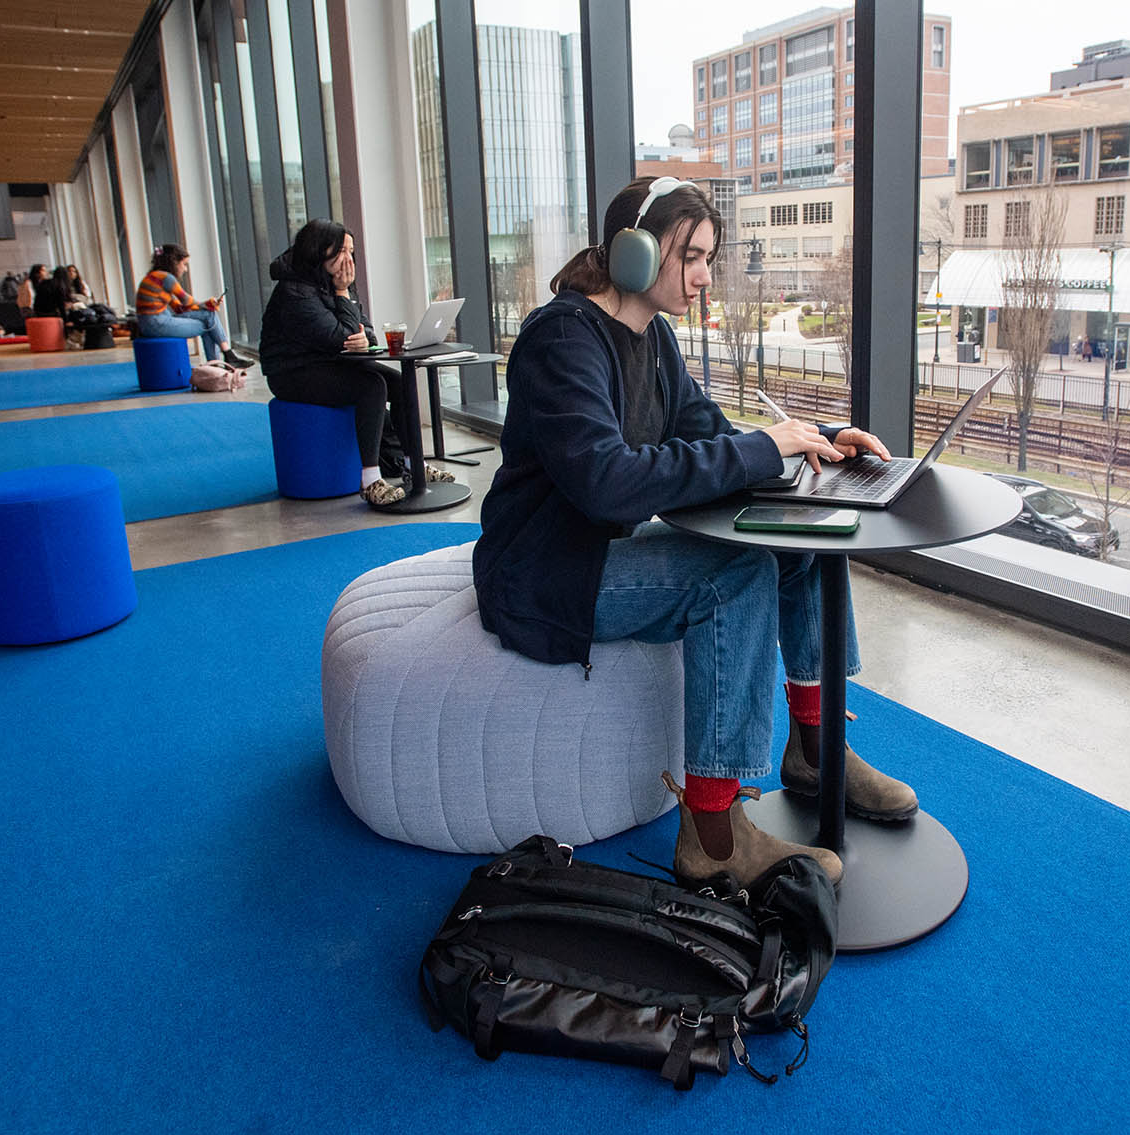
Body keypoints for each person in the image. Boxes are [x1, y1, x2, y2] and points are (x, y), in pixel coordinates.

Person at [473, 176, 918, 888]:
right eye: (691, 256)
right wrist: (763, 448)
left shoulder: (653, 338)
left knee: (797, 543)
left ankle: (815, 749)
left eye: (708, 256)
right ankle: (712, 836)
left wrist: (816, 440)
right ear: (634, 254)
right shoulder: (560, 338)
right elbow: (605, 480)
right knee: (734, 574)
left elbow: (708, 435)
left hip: (602, 554)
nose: (704, 276)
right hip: (546, 572)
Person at [259, 219, 451, 508]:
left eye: (351, 251)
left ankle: (413, 465)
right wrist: (343, 299)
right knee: (370, 386)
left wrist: (361, 336)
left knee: (397, 382)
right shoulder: (295, 292)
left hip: (329, 362)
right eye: (342, 252)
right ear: (320, 251)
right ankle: (370, 479)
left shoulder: (336, 282)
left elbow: (365, 330)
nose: (349, 260)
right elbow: (339, 336)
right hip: (292, 371)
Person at [135, 244, 253, 370]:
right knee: (209, 325)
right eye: (184, 264)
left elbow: (179, 308)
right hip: (157, 325)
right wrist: (206, 304)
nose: (185, 269)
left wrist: (205, 307)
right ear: (174, 263)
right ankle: (223, 360)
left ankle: (221, 362)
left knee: (208, 315)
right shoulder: (166, 278)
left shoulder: (154, 277)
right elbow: (186, 301)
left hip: (150, 324)